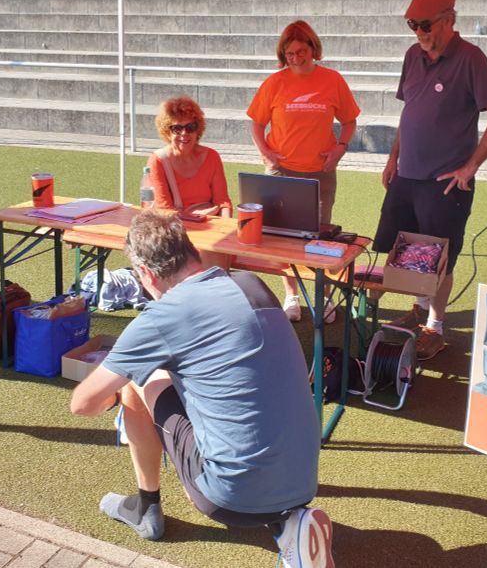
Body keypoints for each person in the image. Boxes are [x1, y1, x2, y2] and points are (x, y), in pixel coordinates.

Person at [70, 210, 334, 568]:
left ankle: (147, 509)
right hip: (304, 482)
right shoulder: (251, 283)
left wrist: (114, 394)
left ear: (146, 274)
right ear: (192, 252)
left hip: (227, 499)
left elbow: (82, 403)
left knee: (136, 379)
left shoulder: (163, 317)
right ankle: (289, 524)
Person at [373, 0, 487, 360]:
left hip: (445, 184)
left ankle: (435, 326)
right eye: (412, 25)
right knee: (402, 250)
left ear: (449, 19)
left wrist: (470, 166)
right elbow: (410, 112)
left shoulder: (471, 58)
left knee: (438, 256)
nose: (419, 33)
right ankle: (419, 309)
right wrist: (392, 158)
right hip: (407, 176)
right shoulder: (411, 56)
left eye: (425, 25)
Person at [247, 20, 360, 323]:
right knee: (285, 239)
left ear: (313, 48)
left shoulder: (332, 80)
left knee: (320, 237)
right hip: (282, 172)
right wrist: (266, 153)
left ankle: (321, 296)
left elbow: (349, 121)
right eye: (289, 54)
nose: (295, 58)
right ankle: (292, 295)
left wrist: (340, 148)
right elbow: (257, 123)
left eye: (300, 51)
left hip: (320, 172)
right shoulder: (274, 83)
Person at [147, 96, 231, 219]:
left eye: (190, 127)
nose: (184, 133)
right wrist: (196, 217)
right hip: (177, 227)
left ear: (198, 130)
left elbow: (223, 202)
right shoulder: (158, 161)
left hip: (212, 222)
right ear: (167, 132)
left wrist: (225, 227)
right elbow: (164, 210)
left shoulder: (212, 157)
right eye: (177, 128)